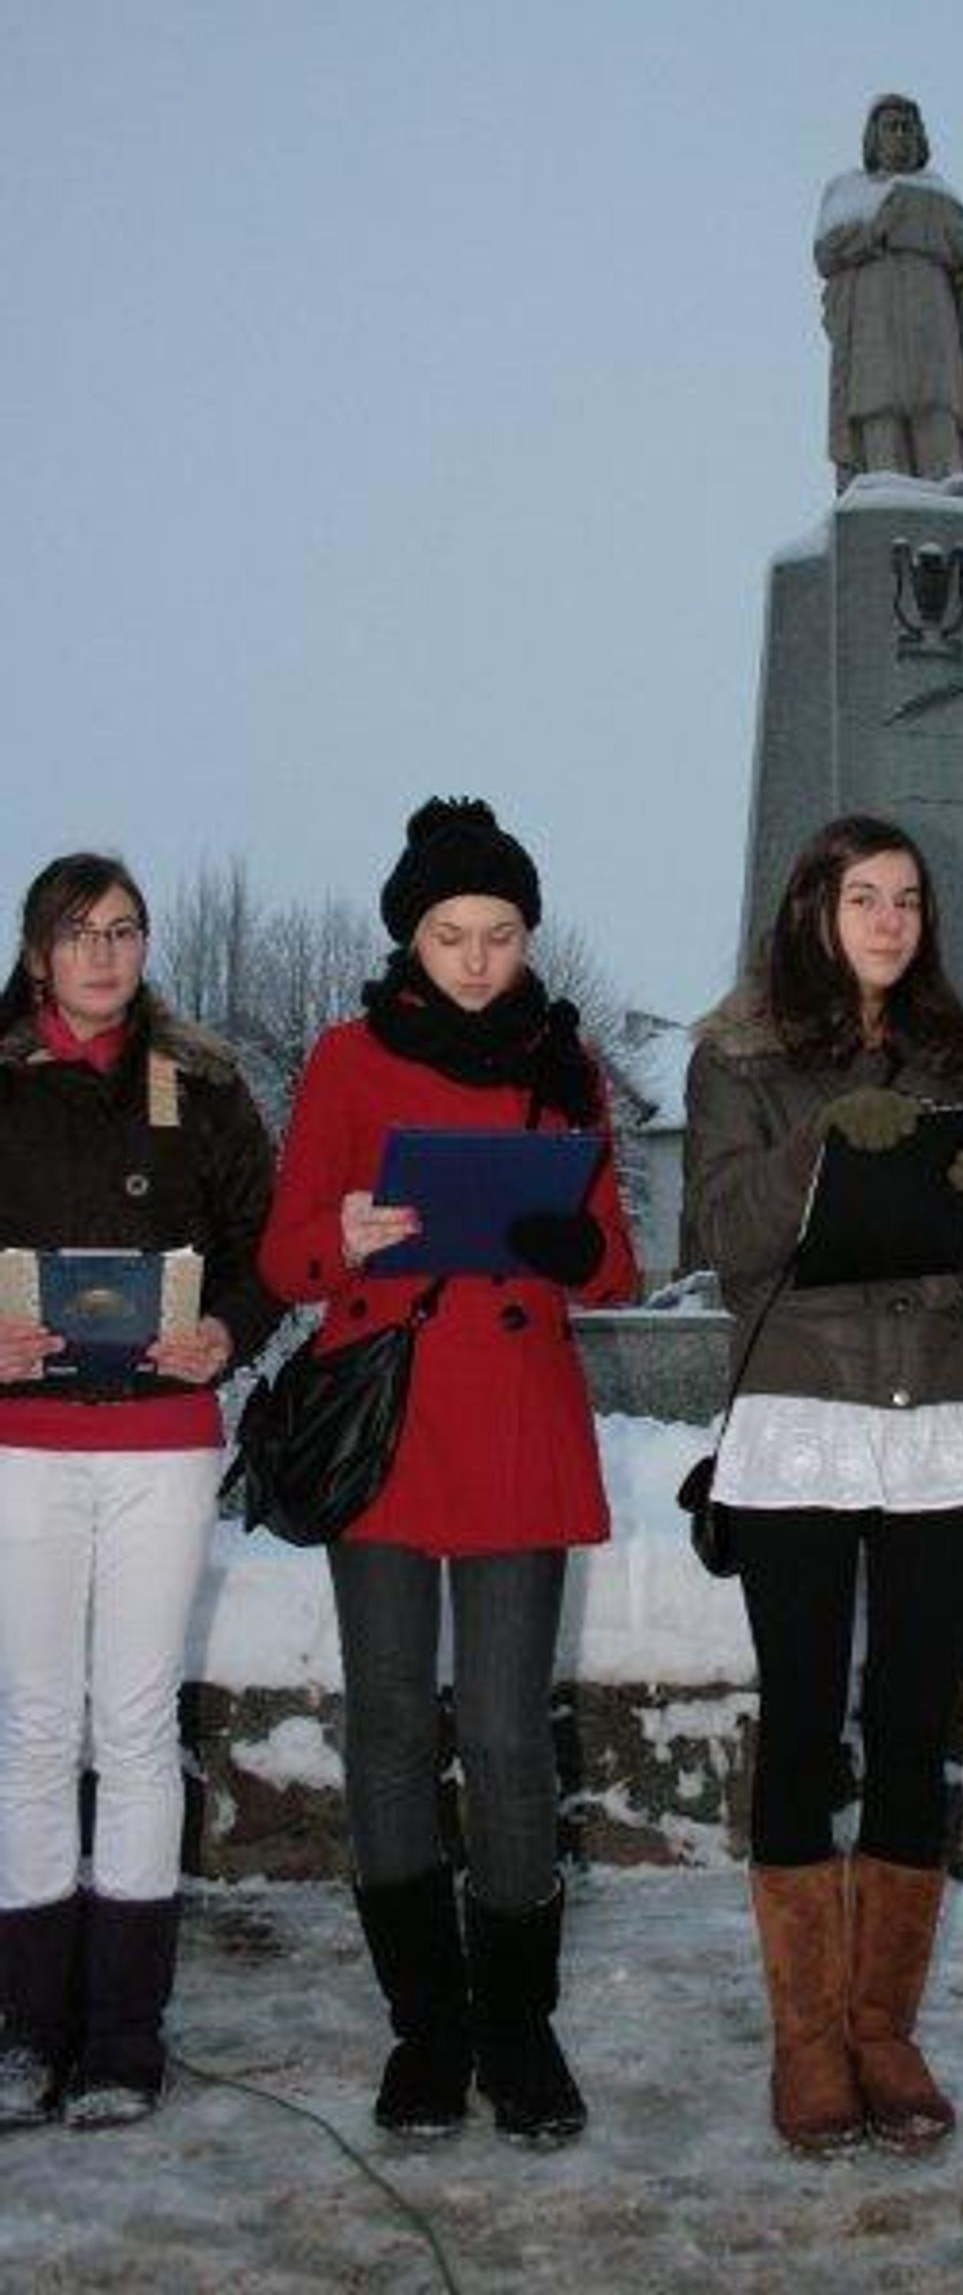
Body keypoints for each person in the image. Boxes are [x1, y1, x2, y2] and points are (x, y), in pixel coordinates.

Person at [258, 797, 636, 2144]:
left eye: (500, 934)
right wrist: (348, 1234)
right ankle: (426, 2027)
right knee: (387, 1730)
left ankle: (517, 2028)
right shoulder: (347, 1057)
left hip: (517, 1427)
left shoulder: (565, 1061)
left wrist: (570, 1245)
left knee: (506, 1734)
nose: (477, 959)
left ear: (528, 936)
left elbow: (615, 1262)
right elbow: (283, 1252)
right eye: (450, 934)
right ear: (409, 938)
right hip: (388, 1423)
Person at [684, 813, 963, 2154]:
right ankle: (807, 2040)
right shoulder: (737, 1055)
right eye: (863, 897)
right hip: (799, 1412)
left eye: (907, 899)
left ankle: (883, 2029)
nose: (890, 921)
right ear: (814, 910)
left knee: (912, 1733)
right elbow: (724, 1239)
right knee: (801, 1726)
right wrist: (820, 1146)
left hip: (937, 1421)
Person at [0, 853, 279, 2132]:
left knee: (132, 1724)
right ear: (36, 953)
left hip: (163, 1438)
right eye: (78, 933)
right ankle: (28, 2027)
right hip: (23, 1441)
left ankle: (122, 2033)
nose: (104, 954)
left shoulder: (205, 1089)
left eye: (124, 930)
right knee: (32, 1727)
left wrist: (226, 1331)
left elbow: (268, 1253)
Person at [815, 93, 963, 490]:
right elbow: (826, 254)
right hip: (872, 337)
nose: (901, 135)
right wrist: (875, 233)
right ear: (873, 138)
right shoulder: (848, 194)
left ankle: (946, 496)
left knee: (936, 426)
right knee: (879, 425)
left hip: (932, 335)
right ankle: (880, 494)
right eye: (892, 127)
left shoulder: (940, 198)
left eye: (909, 128)